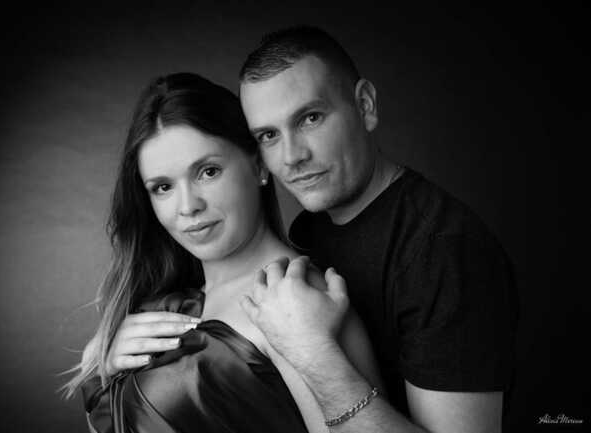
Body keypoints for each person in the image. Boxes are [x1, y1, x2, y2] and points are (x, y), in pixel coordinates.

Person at [100, 27, 518, 432]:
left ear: (365, 105)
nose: (291, 156)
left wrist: (314, 354)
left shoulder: (442, 250)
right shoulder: (311, 231)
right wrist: (111, 364)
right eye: (268, 135)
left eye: (311, 118)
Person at [64, 72, 378, 433]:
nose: (188, 206)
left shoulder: (297, 300)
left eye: (208, 172)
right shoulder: (172, 304)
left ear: (258, 166)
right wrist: (103, 369)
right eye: (163, 187)